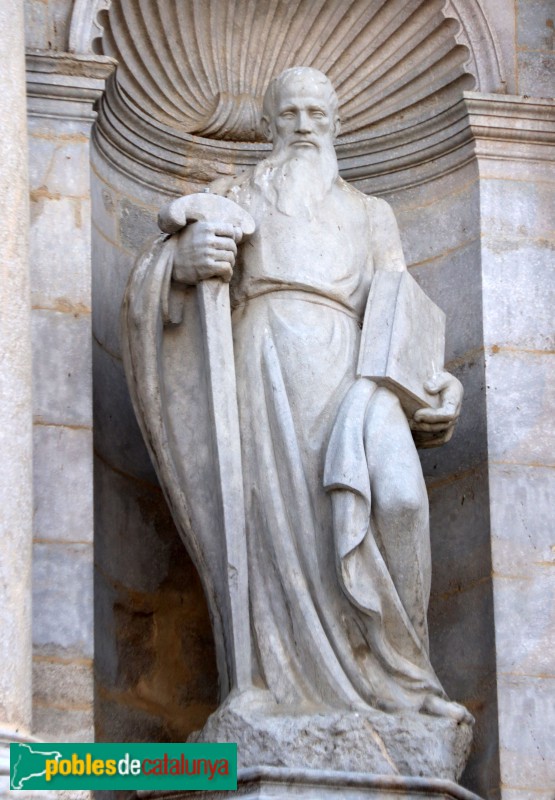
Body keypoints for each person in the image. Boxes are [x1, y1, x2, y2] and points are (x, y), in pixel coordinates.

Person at [126, 67, 470, 725]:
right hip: (263, 358)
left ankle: (401, 678)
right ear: (267, 125)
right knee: (271, 520)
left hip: (356, 372)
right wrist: (183, 262)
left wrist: (436, 381)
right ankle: (273, 684)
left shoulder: (372, 214)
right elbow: (161, 280)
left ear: (336, 123)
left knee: (396, 499)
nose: (304, 126)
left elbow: (400, 311)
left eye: (316, 112)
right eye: (289, 114)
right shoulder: (233, 196)